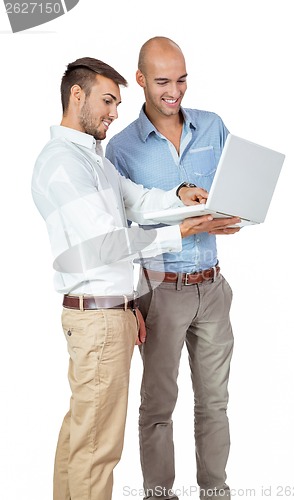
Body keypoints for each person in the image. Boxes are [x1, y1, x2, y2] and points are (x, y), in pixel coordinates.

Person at [31, 57, 240, 500]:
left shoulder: (93, 158)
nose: (113, 112)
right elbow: (106, 244)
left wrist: (180, 197)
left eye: (117, 103)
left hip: (111, 312)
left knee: (80, 439)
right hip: (97, 319)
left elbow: (139, 200)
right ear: (76, 94)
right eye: (107, 101)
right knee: (97, 447)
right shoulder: (64, 164)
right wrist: (181, 230)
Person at [106, 37, 240, 500]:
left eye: (181, 79)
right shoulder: (121, 150)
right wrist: (131, 303)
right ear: (141, 80)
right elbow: (124, 234)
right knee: (158, 407)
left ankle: (215, 492)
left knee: (215, 404)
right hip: (159, 291)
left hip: (213, 286)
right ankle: (158, 496)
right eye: (162, 81)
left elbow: (232, 191)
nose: (174, 91)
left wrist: (233, 214)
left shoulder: (213, 127)